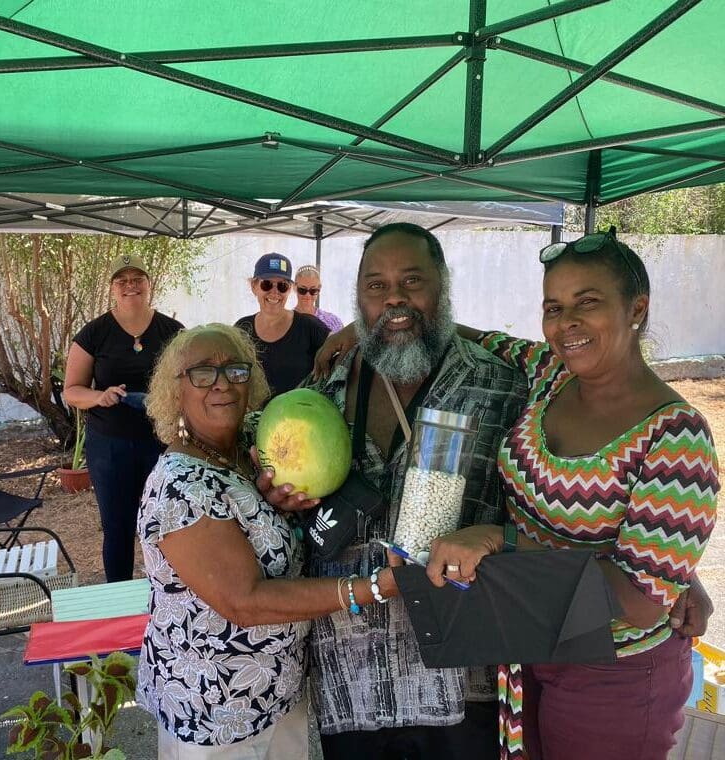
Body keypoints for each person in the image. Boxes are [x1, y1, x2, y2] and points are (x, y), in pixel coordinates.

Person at [416, 228, 720, 760]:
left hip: (614, 672)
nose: (566, 323)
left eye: (588, 302)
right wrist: (358, 329)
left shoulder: (676, 437)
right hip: (531, 640)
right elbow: (481, 338)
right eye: (553, 308)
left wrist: (502, 540)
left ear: (637, 308)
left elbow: (638, 601)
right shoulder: (551, 374)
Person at [259, 222, 530, 759]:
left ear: (442, 284)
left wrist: (667, 572)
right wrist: (279, 498)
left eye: (412, 281)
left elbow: (551, 507)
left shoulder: (501, 386)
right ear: (358, 297)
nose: (394, 299)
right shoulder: (322, 391)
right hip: (351, 682)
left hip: (460, 681)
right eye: (376, 286)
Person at [137, 323, 399, 759]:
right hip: (216, 711)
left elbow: (311, 409)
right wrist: (371, 587)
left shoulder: (253, 442)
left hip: (278, 694)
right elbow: (246, 602)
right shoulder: (180, 487)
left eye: (235, 370)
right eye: (202, 372)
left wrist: (357, 330)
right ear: (175, 391)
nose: (222, 383)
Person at [64, 253, 183, 582]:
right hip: (109, 446)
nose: (130, 286)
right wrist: (99, 397)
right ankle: (119, 597)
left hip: (162, 444)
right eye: (122, 281)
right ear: (112, 288)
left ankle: (169, 593)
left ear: (149, 284)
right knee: (117, 527)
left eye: (137, 279)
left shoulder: (173, 332)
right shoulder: (94, 333)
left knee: (166, 524)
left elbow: (188, 382)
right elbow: (72, 390)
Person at [235, 253, 329, 395]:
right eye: (266, 284)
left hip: (300, 409)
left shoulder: (309, 327)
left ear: (290, 289)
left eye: (282, 286)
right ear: (254, 286)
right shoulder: (243, 328)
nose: (274, 293)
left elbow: (342, 355)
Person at [294, 264, 344, 332]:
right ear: (295, 287)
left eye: (313, 290)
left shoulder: (333, 322)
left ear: (319, 289)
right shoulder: (286, 321)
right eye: (302, 290)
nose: (308, 295)